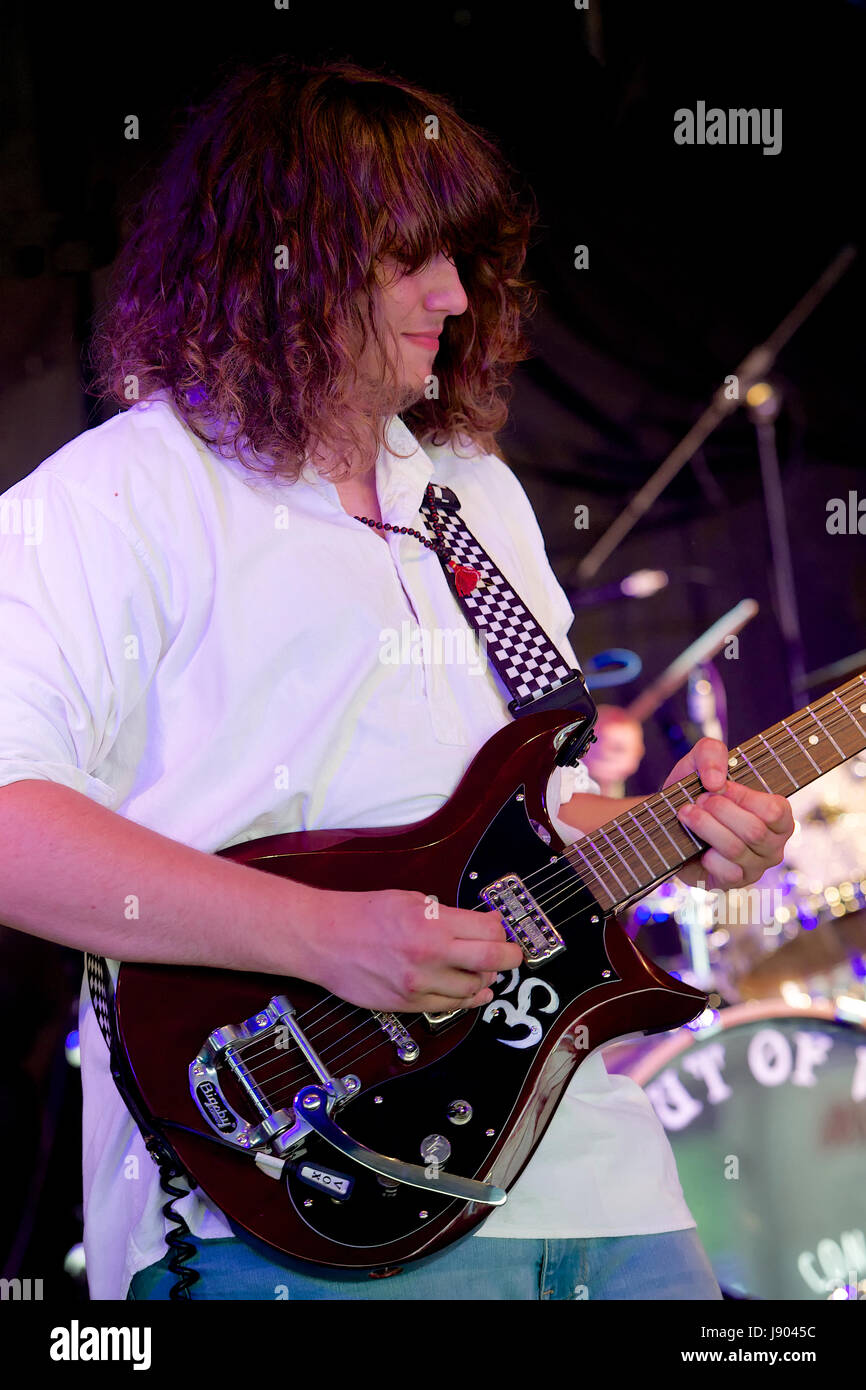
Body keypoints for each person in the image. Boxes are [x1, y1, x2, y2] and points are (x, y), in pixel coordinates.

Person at [0, 57, 794, 1301]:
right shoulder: (111, 498)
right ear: (274, 260)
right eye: (404, 256)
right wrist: (323, 934)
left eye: (464, 255)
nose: (453, 293)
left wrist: (680, 835)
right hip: (285, 1198)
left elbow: (534, 819)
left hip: (600, 1182)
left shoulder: (470, 492)